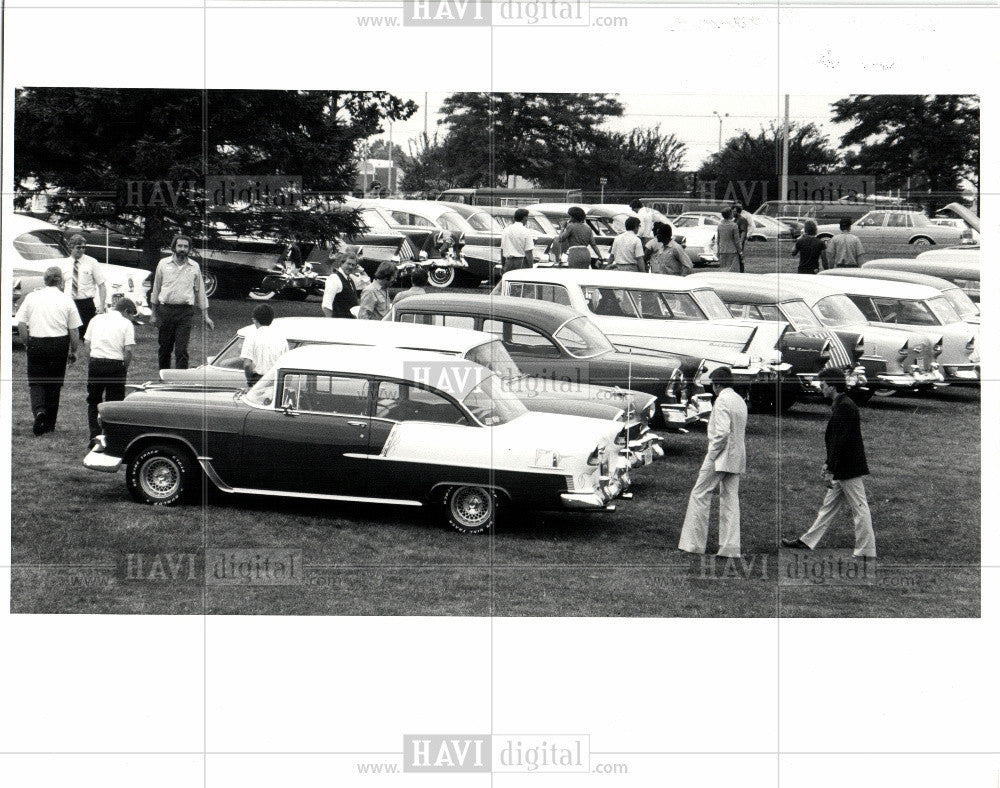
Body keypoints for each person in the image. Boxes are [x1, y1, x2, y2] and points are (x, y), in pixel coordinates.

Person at [782, 367, 876, 558]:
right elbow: (836, 442)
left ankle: (866, 551)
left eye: (823, 385)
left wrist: (830, 469)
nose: (821, 388)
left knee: (859, 508)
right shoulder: (842, 404)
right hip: (844, 466)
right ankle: (807, 541)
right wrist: (828, 464)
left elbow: (840, 442)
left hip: (847, 468)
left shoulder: (844, 407)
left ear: (832, 386)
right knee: (829, 507)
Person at [678, 366, 747, 558]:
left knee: (700, 493)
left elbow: (722, 432)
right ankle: (730, 548)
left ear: (717, 385)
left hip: (721, 454)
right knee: (730, 499)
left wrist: (712, 452)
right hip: (737, 456)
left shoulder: (722, 400)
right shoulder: (739, 400)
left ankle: (693, 544)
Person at [15, 266, 82, 435]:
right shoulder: (66, 300)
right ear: (60, 280)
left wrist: (26, 341)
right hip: (59, 344)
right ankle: (50, 424)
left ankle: (39, 411)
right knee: (54, 384)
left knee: (36, 382)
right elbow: (74, 330)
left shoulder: (32, 297)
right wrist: (74, 351)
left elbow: (21, 323)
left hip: (37, 342)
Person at [150, 234, 213, 370]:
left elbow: (200, 292)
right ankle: (163, 379)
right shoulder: (163, 264)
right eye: (180, 246)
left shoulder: (194, 266)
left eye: (185, 246)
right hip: (165, 311)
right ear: (174, 247)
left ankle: (180, 381)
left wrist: (205, 316)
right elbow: (156, 289)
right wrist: (153, 314)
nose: (182, 249)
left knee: (181, 350)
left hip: (185, 313)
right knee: (165, 349)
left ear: (189, 249)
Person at [83, 297, 136, 447]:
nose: (132, 318)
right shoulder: (126, 324)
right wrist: (124, 367)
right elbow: (129, 349)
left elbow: (87, 343)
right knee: (114, 403)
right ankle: (110, 436)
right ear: (126, 311)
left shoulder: (96, 319)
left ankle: (94, 435)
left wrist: (91, 361)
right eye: (131, 314)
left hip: (96, 362)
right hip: (115, 365)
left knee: (94, 401)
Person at [62, 234, 107, 338]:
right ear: (71, 247)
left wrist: (101, 306)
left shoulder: (92, 262)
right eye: (78, 247)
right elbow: (61, 286)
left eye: (84, 247)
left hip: (86, 304)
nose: (81, 250)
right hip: (69, 303)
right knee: (69, 334)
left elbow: (102, 285)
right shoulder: (64, 264)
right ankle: (72, 354)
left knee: (88, 337)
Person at [240, 304, 289, 387]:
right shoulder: (281, 338)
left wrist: (250, 381)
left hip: (258, 379)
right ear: (271, 320)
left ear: (254, 320)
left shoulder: (251, 337)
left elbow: (247, 364)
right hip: (275, 379)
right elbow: (286, 363)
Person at [321, 251, 361, 318]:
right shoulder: (334, 278)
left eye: (353, 265)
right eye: (348, 264)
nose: (350, 267)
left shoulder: (350, 280)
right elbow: (326, 305)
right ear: (342, 263)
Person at [500, 208, 535, 273]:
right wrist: (531, 268)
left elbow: (502, 250)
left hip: (508, 262)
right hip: (521, 262)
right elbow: (528, 252)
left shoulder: (506, 230)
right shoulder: (526, 231)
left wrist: (503, 266)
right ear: (525, 218)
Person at [716, 208, 744, 273]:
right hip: (732, 251)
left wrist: (718, 250)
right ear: (730, 214)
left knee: (723, 270)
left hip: (722, 250)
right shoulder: (734, 225)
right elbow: (737, 241)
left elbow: (718, 239)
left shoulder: (720, 226)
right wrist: (740, 251)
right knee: (733, 271)